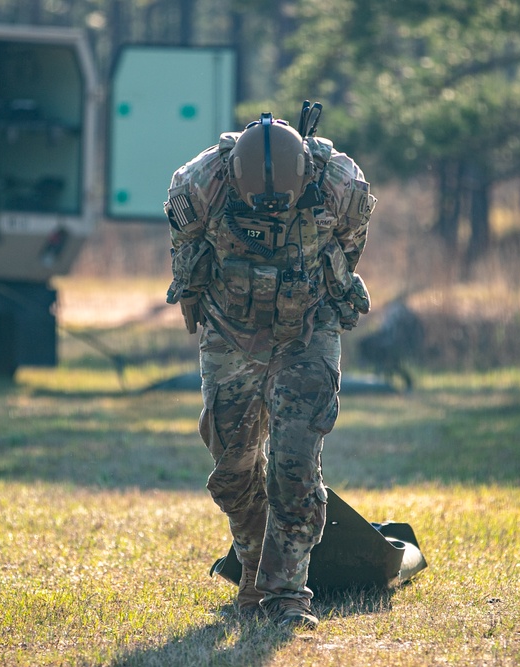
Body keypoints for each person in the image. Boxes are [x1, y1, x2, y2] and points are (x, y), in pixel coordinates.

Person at [164, 106, 376, 629]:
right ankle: (257, 572)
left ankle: (286, 597)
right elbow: (185, 254)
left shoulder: (340, 183)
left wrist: (322, 285)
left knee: (295, 462)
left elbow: (351, 243)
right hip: (229, 329)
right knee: (233, 470)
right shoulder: (199, 184)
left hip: (307, 328)